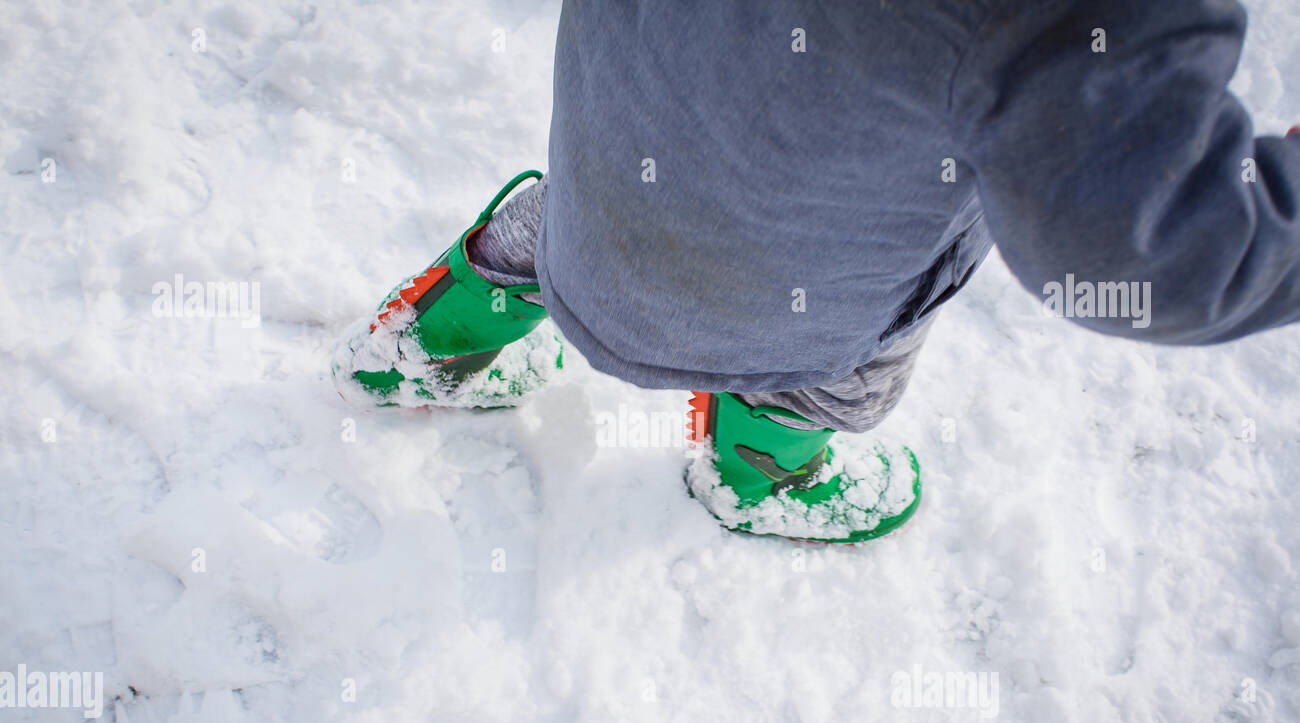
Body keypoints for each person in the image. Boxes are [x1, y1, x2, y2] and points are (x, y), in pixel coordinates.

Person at [332, 0, 1300, 544]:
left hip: (621, 106)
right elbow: (1146, 236)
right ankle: (756, 471)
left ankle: (435, 337)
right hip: (799, 252)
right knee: (848, 367)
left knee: (575, 230)